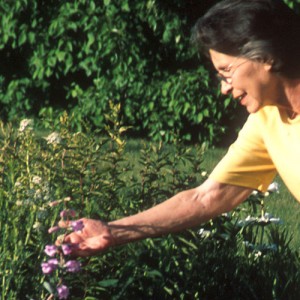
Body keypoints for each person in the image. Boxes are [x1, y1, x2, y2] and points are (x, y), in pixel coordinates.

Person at [58, 0, 300, 257]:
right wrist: (112, 231)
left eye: (227, 71)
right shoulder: (267, 118)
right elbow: (207, 197)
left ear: (266, 57)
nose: (224, 88)